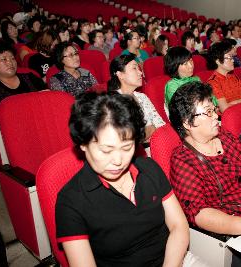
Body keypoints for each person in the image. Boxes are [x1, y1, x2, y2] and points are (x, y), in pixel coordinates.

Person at [56, 92, 189, 267]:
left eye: (127, 147)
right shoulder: (71, 200)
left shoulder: (149, 168)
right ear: (83, 144)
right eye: (106, 150)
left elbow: (179, 226)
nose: (118, 161)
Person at [168, 81, 241, 266]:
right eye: (209, 112)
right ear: (188, 122)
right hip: (228, 233)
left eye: (214, 109)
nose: (216, 116)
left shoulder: (225, 137)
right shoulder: (182, 160)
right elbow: (199, 213)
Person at [108, 54, 165, 141]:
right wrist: (152, 128)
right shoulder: (114, 101)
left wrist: (150, 130)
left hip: (158, 143)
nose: (140, 72)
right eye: (134, 68)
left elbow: (161, 125)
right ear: (120, 75)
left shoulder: (142, 97)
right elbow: (132, 136)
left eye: (139, 68)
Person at [0, 42, 45, 122]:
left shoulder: (30, 77)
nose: (10, 62)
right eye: (4, 59)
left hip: (40, 119)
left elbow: (46, 95)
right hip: (10, 127)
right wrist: (22, 110)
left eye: (12, 58)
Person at [206, 41, 241, 113]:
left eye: (232, 57)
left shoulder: (234, 76)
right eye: (229, 57)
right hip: (229, 119)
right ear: (218, 61)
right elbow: (224, 109)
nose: (233, 60)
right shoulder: (213, 82)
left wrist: (232, 103)